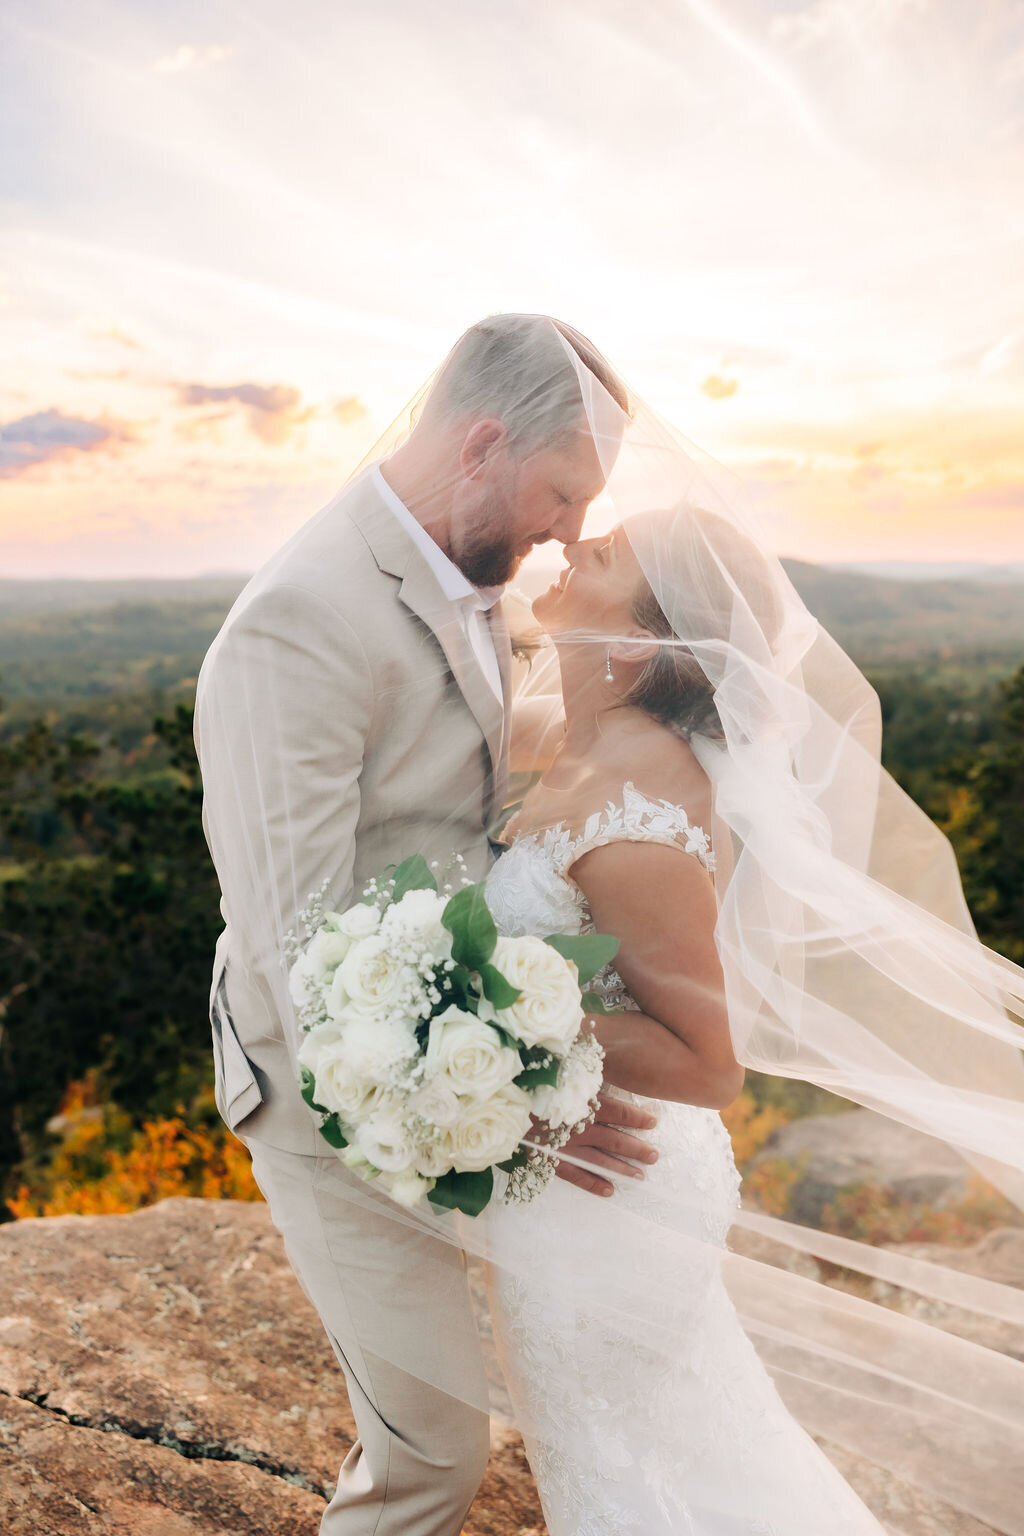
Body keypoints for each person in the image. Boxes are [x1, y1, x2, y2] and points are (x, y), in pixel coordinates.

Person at [193, 313, 658, 1535]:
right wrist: (519, 1094)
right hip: (326, 1086)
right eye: (561, 493)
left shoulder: (472, 575)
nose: (569, 529)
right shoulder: (299, 622)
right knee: (430, 1462)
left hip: (453, 1063)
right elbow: (298, 952)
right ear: (486, 444)